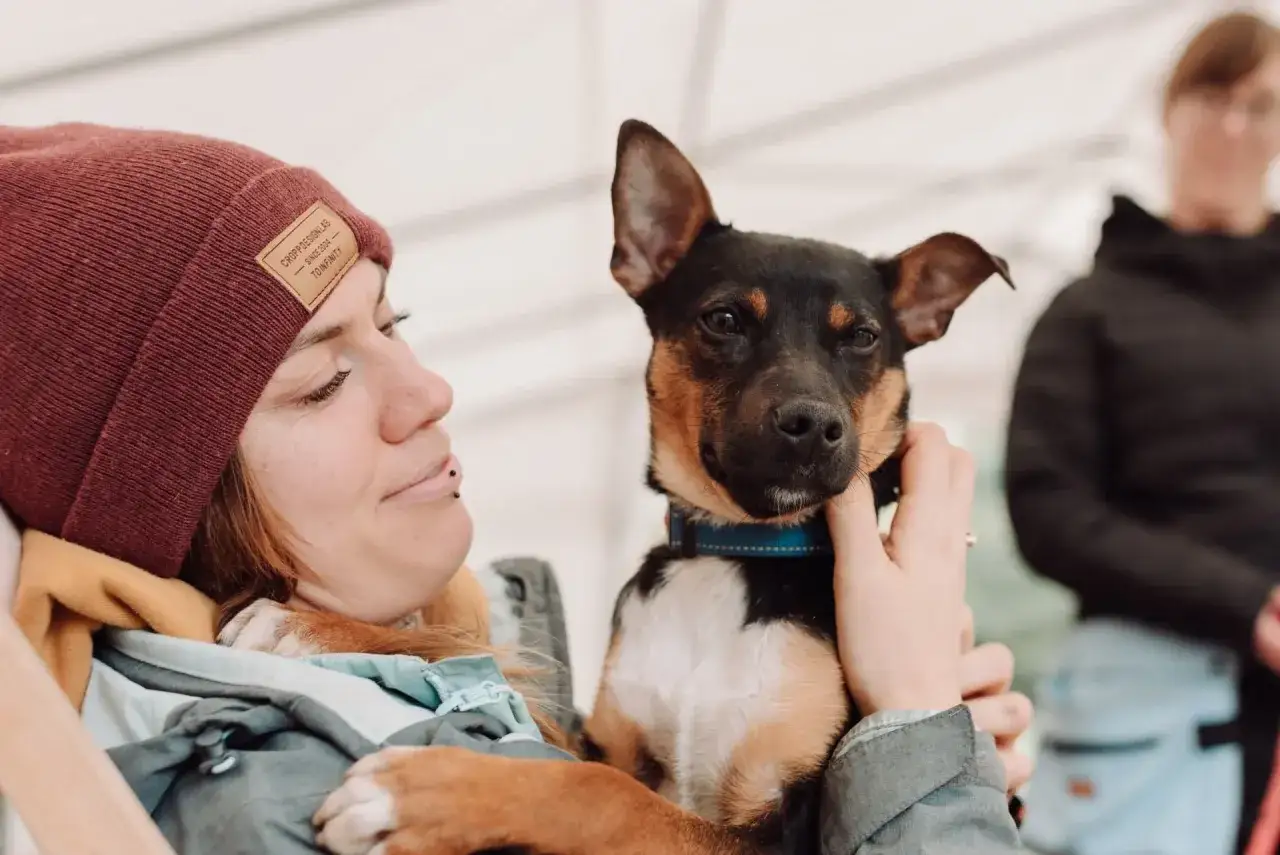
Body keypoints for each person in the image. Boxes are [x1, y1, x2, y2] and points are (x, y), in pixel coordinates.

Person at [0, 122, 1027, 854]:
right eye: (319, 381)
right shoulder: (263, 795)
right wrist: (921, 764)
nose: (430, 390)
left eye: (395, 326)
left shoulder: (492, 642)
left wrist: (928, 767)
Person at [1004, 12, 1280, 855]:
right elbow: (1050, 510)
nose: (1234, 126)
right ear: (1167, 113)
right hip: (1149, 716)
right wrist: (1246, 604)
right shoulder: (1087, 313)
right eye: (1212, 98)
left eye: (1261, 105)